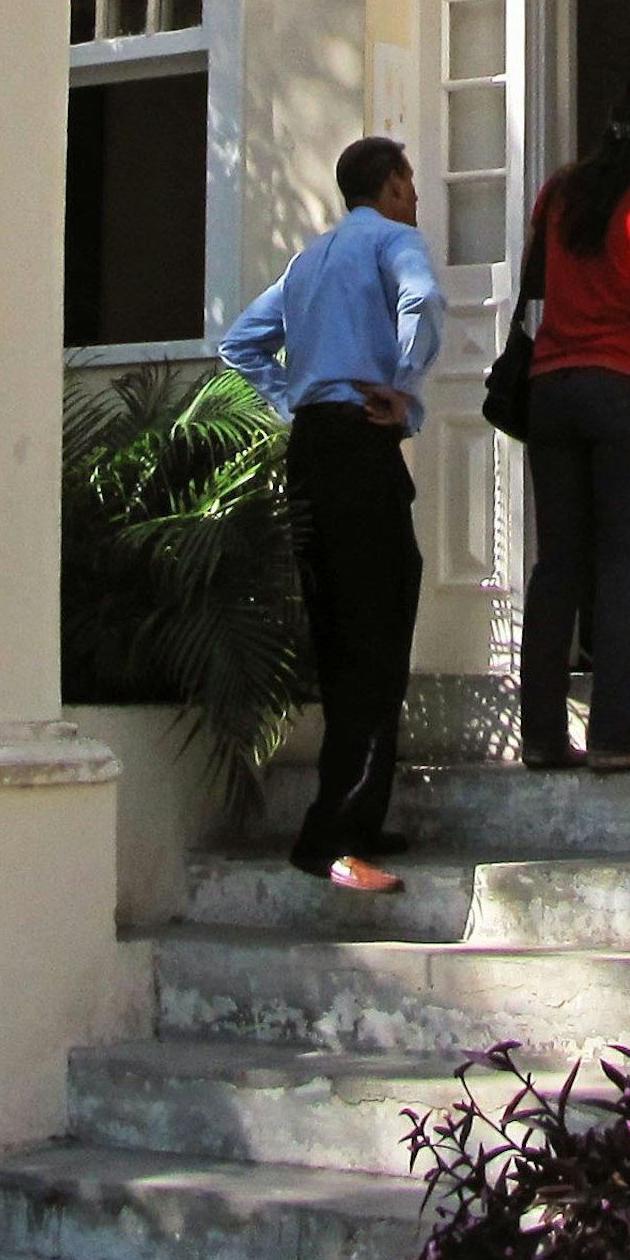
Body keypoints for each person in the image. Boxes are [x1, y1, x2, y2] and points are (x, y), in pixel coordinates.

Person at [222, 136, 445, 893]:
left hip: (314, 448)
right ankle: (333, 835)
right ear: (388, 184)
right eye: (409, 180)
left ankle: (361, 813)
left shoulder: (308, 261)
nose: (415, 194)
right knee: (375, 632)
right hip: (358, 442)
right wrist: (401, 385)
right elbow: (421, 300)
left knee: (342, 625)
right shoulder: (393, 240)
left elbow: (242, 344)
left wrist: (299, 401)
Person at [518, 75, 630, 772]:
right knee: (622, 564)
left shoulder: (559, 192)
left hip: (551, 388)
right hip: (622, 389)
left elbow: (536, 281)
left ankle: (540, 734)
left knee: (557, 564)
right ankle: (615, 735)